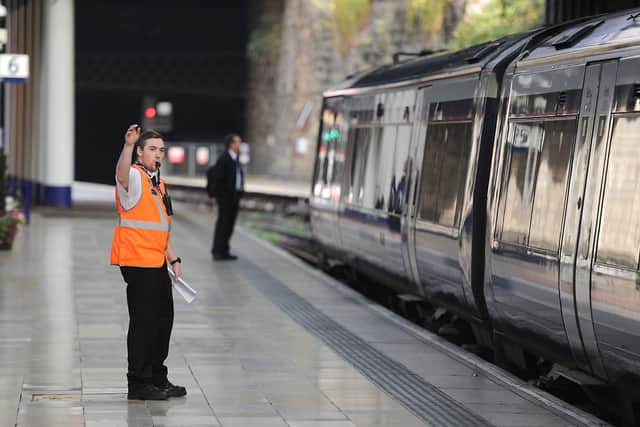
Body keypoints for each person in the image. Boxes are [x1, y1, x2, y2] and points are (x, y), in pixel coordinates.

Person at [110, 124, 187, 400]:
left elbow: (161, 227)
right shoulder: (133, 175)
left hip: (156, 261)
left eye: (161, 150)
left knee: (163, 319)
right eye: (152, 149)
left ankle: (157, 376)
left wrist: (173, 258)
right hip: (136, 260)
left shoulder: (158, 183)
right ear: (140, 152)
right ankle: (139, 382)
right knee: (143, 321)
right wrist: (128, 144)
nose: (158, 154)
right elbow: (120, 173)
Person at [207, 133, 244, 261]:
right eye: (238, 142)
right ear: (231, 144)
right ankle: (217, 251)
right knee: (223, 224)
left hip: (234, 197)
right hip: (226, 198)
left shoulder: (235, 158)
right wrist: (220, 196)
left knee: (229, 225)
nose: (240, 144)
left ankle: (224, 250)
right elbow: (219, 179)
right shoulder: (224, 159)